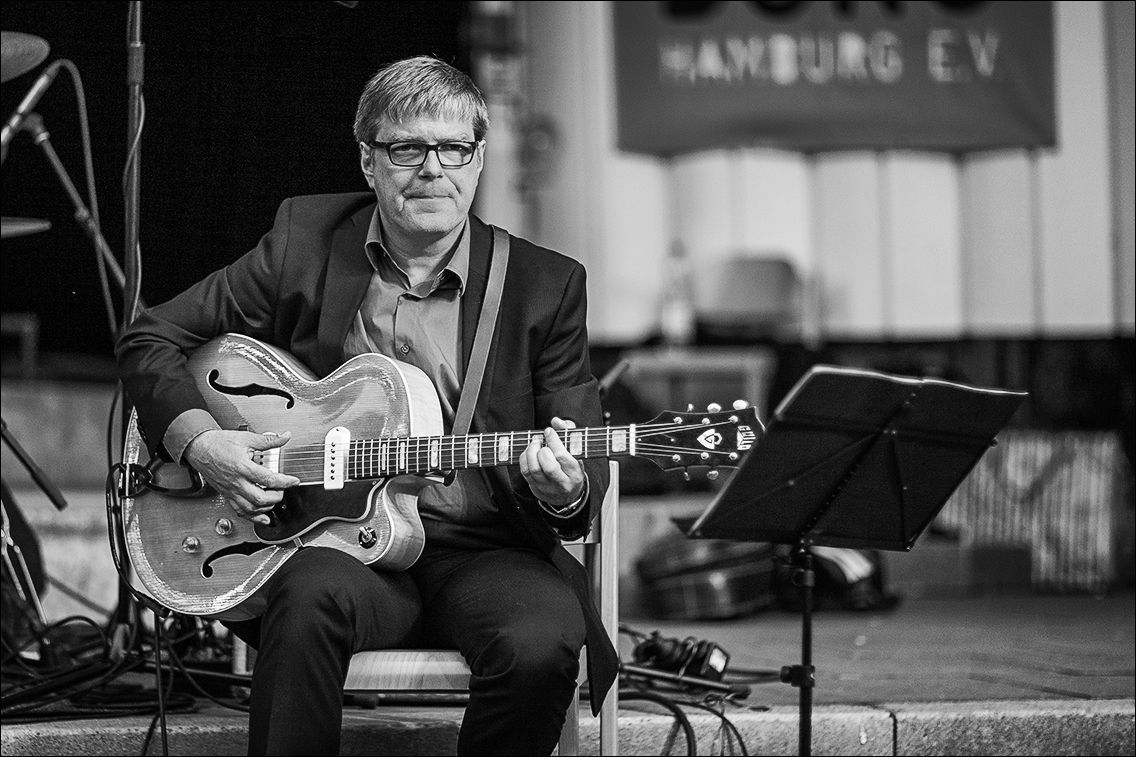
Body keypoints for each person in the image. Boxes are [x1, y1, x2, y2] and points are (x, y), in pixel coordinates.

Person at [116, 55, 616, 756]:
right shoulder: (305, 242)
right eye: (407, 147)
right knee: (307, 595)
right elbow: (152, 336)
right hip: (341, 545)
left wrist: (562, 490)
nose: (432, 169)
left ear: (478, 160)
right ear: (368, 161)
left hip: (485, 551)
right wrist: (203, 444)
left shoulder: (545, 284)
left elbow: (582, 462)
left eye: (454, 149)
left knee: (540, 642)